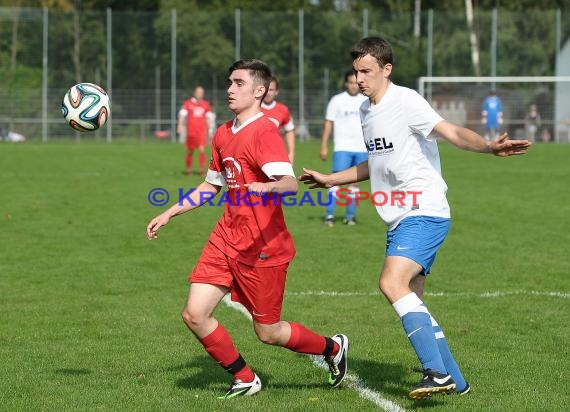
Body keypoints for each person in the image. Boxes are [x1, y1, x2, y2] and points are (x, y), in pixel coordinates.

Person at [300, 37, 531, 400]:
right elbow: (374, 162)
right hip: (398, 217)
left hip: (423, 209)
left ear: (386, 69)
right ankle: (457, 379)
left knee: (392, 283)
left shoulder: (405, 101)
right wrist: (331, 178)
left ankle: (436, 373)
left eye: (367, 72)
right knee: (412, 298)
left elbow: (451, 131)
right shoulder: (365, 111)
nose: (360, 79)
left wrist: (488, 147)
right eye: (357, 72)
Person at [147, 59, 349, 399]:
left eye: (238, 83)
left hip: (264, 247)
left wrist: (265, 188)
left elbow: (288, 184)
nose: (229, 89)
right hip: (227, 237)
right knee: (194, 314)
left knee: (268, 332)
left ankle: (331, 349)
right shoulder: (224, 133)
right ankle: (244, 378)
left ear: (259, 91)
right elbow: (211, 186)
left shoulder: (265, 132)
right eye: (229, 82)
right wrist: (171, 212)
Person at [320, 70, 368, 226]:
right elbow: (328, 122)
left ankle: (350, 217)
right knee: (335, 182)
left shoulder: (366, 100)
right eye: (351, 82)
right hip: (342, 148)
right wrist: (324, 146)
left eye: (356, 82)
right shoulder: (337, 100)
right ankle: (329, 216)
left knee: (354, 184)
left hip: (362, 148)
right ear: (346, 83)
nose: (354, 85)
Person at [177, 86, 215, 176]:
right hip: (191, 132)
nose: (200, 94)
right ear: (194, 93)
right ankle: (189, 170)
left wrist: (210, 130)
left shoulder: (206, 104)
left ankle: (202, 171)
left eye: (202, 93)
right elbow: (182, 115)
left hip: (201, 132)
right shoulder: (188, 103)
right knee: (190, 151)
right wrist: (180, 125)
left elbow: (208, 118)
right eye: (198, 92)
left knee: (202, 150)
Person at [261, 76, 296, 163]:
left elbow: (290, 130)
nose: (268, 93)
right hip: (255, 155)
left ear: (276, 92)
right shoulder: (253, 108)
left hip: (275, 156)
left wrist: (291, 153)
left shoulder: (283, 109)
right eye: (266, 89)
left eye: (271, 90)